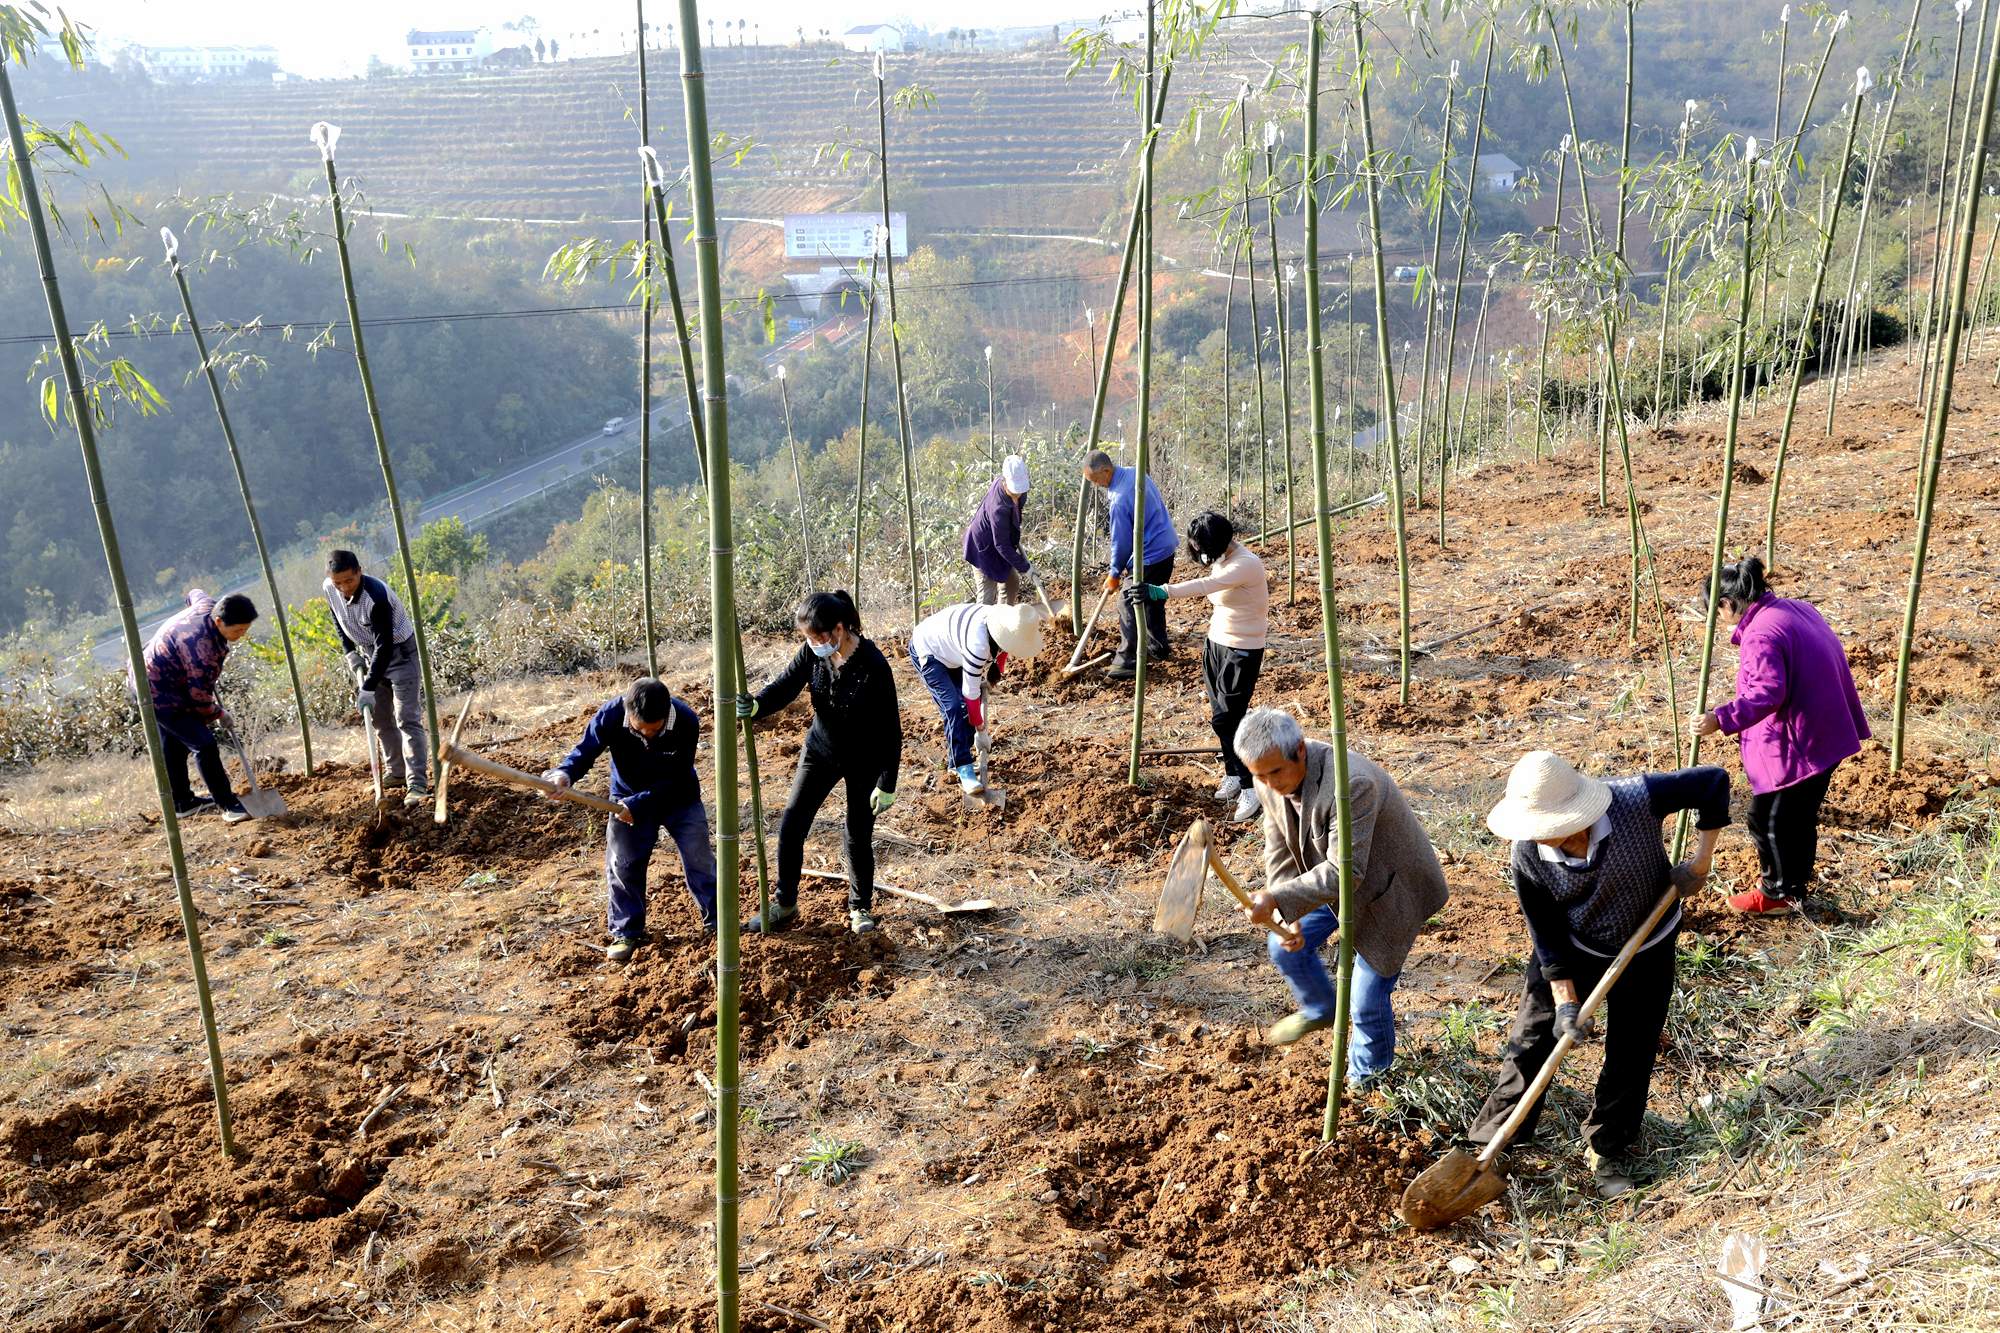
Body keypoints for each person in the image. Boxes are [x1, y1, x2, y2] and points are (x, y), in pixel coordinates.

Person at [1468, 750, 1728, 1198]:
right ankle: (1495, 1140)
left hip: (1647, 942)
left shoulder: (1634, 799)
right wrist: (1566, 1001)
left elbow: (1713, 782)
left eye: (1556, 829)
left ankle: (1608, 1147)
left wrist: (1701, 861)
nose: (1547, 839)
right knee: (1532, 1041)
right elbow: (1544, 933)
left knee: (1633, 1046)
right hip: (1575, 943)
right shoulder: (1527, 853)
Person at [1234, 709, 1449, 1085]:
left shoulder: (1351, 784)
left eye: (1275, 773)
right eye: (1258, 776)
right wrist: (1288, 912)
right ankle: (1321, 1008)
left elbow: (1347, 872)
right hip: (1332, 883)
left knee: (1365, 1000)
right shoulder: (1271, 784)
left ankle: (1368, 1081)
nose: (1267, 783)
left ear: (1300, 750)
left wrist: (1278, 897)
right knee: (1284, 945)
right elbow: (1280, 849)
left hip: (1388, 890)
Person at [1691, 556, 1869, 915]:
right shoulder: (1794, 609)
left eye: (1716, 612)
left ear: (1727, 604)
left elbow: (1767, 693)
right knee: (1798, 816)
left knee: (1768, 818)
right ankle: (1795, 884)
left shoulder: (1760, 633)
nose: (1719, 620)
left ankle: (1778, 894)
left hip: (1802, 741)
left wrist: (1719, 718)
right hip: (1826, 731)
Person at [736, 591, 902, 935]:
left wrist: (887, 782)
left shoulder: (873, 665)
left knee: (857, 834)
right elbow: (785, 686)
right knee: (792, 824)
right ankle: (785, 902)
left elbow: (890, 728)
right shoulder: (812, 655)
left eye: (817, 636)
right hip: (820, 752)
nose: (812, 644)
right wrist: (756, 706)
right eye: (807, 638)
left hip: (864, 759)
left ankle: (860, 908)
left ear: (839, 629)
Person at [545, 678, 717, 962]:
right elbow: (585, 750)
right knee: (623, 864)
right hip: (626, 796)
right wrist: (564, 774)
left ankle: (717, 921)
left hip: (678, 797)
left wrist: (638, 804)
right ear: (628, 714)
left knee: (699, 858)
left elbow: (677, 776)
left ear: (667, 712)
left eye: (655, 728)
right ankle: (627, 931)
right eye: (641, 729)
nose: (648, 734)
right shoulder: (612, 714)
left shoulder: (686, 720)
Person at [1127, 511, 1269, 822]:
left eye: (1203, 547)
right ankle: (1233, 771)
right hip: (1216, 644)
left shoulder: (1246, 563)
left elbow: (1208, 585)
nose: (1200, 554)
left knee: (1231, 717)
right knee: (1220, 718)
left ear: (1220, 542)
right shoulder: (1218, 557)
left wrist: (1162, 591)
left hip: (1242, 649)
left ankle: (1250, 785)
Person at [323, 549, 430, 807]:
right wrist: (350, 653)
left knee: (407, 718)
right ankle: (396, 773)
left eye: (349, 580)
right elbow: (338, 620)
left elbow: (385, 645)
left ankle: (417, 783)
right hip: (371, 653)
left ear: (359, 571)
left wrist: (368, 686)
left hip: (400, 652)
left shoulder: (376, 597)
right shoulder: (329, 588)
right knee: (380, 719)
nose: (344, 588)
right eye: (338, 583)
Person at [141, 588, 259, 823]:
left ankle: (182, 802)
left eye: (245, 629)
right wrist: (219, 713)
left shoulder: (208, 605)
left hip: (156, 676)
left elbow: (194, 593)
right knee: (203, 744)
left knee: (174, 745)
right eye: (237, 630)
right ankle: (228, 805)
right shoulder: (201, 650)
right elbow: (198, 698)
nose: (241, 635)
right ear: (218, 621)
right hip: (157, 689)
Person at [907, 601, 1046, 793]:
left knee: (966, 706)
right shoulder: (978, 644)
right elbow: (970, 695)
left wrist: (990, 683)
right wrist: (981, 730)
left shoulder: (1004, 625)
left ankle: (957, 758)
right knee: (955, 707)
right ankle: (962, 767)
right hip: (929, 649)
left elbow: (1002, 653)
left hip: (953, 648)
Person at [1082, 448, 1176, 680]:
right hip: (1167, 547)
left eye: (1095, 480)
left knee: (1127, 602)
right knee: (1152, 598)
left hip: (1150, 555)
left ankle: (1127, 661)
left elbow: (1121, 543)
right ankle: (1158, 647)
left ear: (1106, 470)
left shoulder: (1119, 499)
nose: (1096, 485)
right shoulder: (1136, 473)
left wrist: (1114, 574)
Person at [963, 454, 1039, 607]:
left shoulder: (1018, 491)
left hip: (1000, 542)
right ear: (1004, 482)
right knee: (986, 596)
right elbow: (1001, 545)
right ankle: (982, 628)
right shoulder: (998, 508)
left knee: (1011, 583)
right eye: (1014, 491)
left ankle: (1002, 620)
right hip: (983, 548)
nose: (1018, 495)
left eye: (1020, 491)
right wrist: (1025, 567)